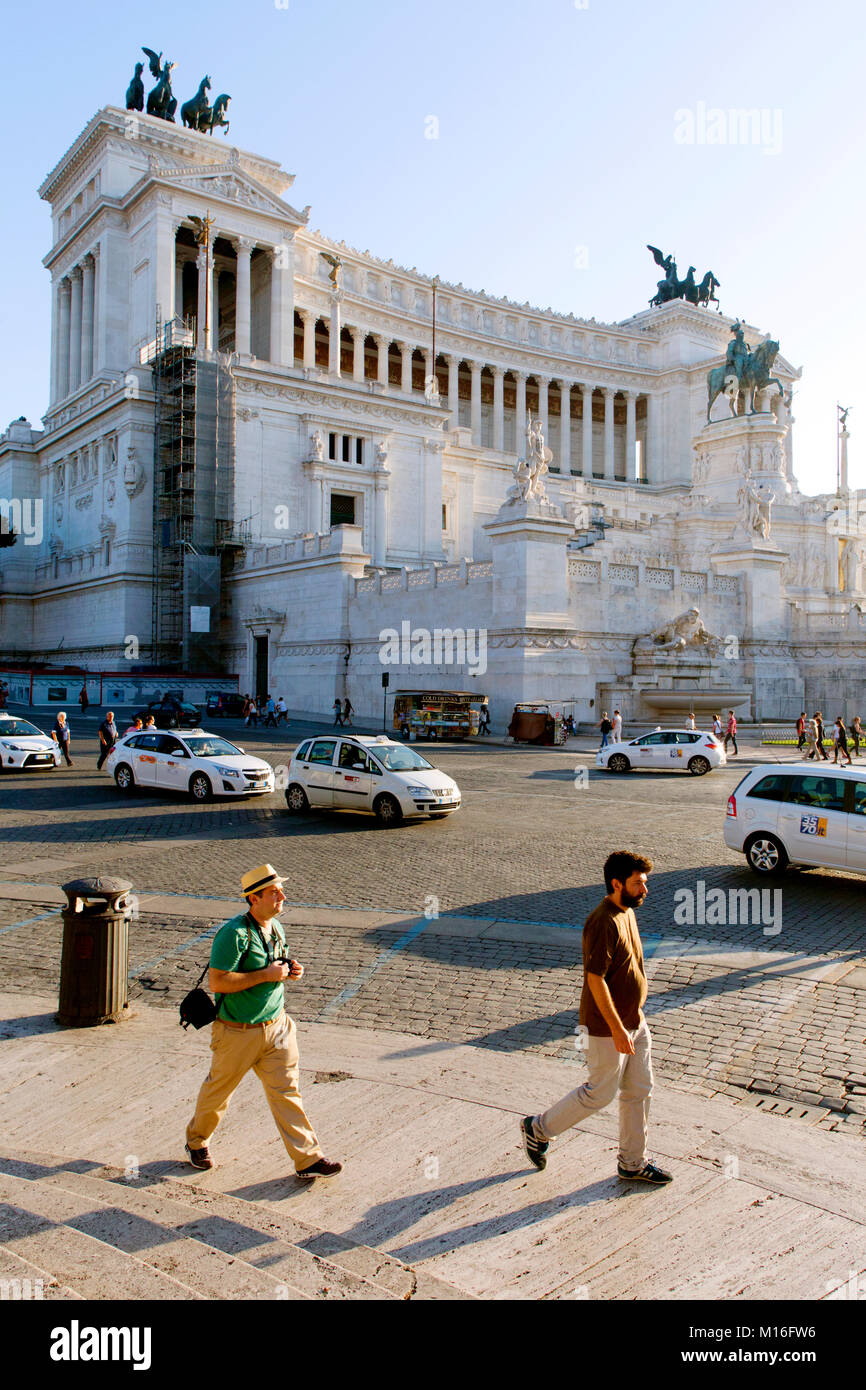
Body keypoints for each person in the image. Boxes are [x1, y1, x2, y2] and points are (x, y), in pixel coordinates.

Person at [520, 851, 671, 1186]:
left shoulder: (627, 911)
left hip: (635, 1021)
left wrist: (633, 1018)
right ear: (617, 884)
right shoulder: (601, 921)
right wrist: (618, 1029)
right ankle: (538, 1129)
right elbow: (595, 979)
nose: (645, 890)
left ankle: (632, 1163)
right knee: (600, 1093)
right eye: (638, 883)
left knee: (640, 1090)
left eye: (644, 883)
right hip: (607, 1028)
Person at [185, 864, 343, 1180]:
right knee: (218, 1093)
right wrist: (266, 975)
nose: (282, 896)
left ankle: (308, 1158)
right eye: (274, 892)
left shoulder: (275, 927)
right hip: (237, 1032)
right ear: (254, 898)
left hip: (277, 1028)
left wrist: (291, 969)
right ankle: (197, 1141)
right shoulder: (233, 934)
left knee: (287, 1094)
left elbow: (278, 965)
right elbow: (218, 982)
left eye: (280, 890)